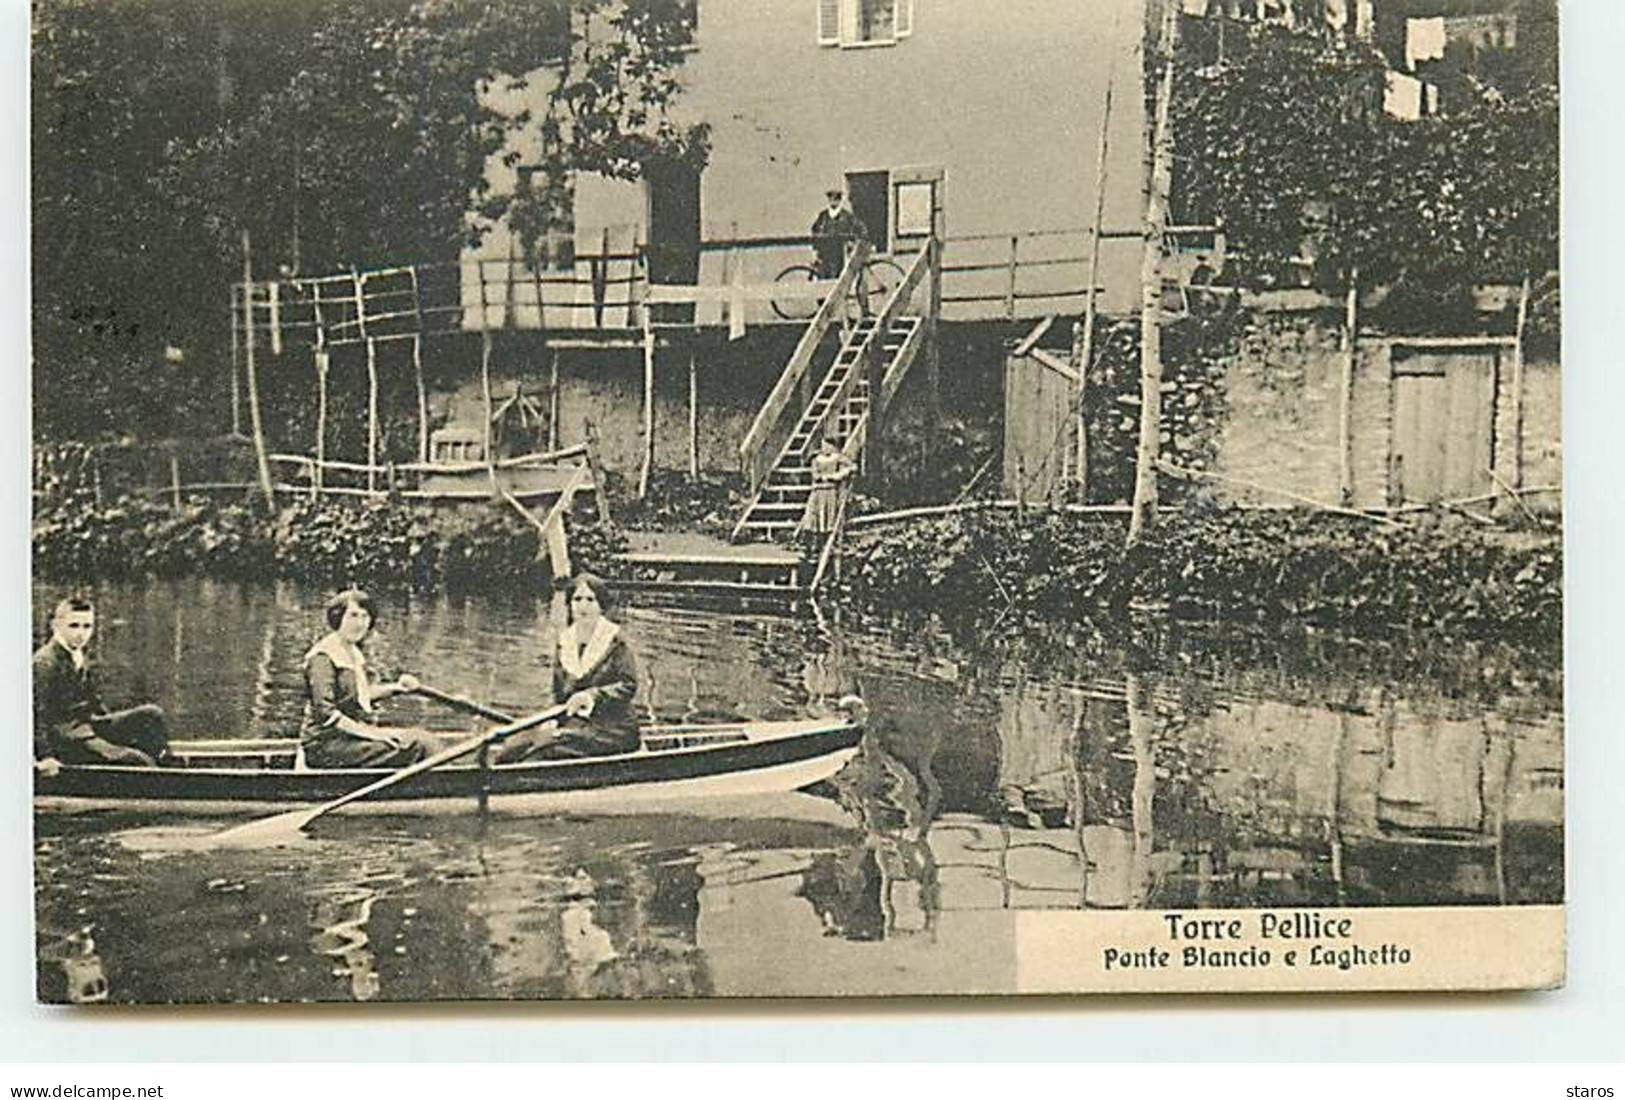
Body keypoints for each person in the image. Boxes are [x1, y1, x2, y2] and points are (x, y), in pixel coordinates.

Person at [495, 574, 642, 763]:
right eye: (577, 599)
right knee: (515, 743)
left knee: (542, 751)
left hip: (612, 728)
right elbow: (557, 691)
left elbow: (628, 685)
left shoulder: (615, 640)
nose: (583, 606)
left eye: (590, 600)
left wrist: (591, 696)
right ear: (570, 605)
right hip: (574, 723)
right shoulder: (565, 641)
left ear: (600, 606)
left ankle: (511, 786)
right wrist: (552, 719)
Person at [301, 589, 442, 769]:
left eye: (365, 617)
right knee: (417, 745)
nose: (359, 624)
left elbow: (361, 694)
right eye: (352, 616)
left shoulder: (350, 651)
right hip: (325, 746)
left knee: (425, 739)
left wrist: (397, 688)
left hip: (349, 737)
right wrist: (373, 734)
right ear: (338, 618)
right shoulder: (323, 658)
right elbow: (326, 713)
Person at [33, 596, 169, 772]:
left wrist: (113, 733)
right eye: (73, 626)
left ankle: (170, 767)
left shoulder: (78, 654)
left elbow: (94, 703)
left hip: (89, 725)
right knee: (136, 761)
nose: (81, 633)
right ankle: (161, 775)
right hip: (68, 739)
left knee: (152, 715)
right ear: (56, 625)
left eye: (87, 626)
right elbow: (36, 716)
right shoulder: (45, 662)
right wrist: (46, 757)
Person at [811, 187, 867, 279]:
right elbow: (815, 233)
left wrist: (854, 243)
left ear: (840, 200)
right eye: (831, 199)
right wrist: (815, 251)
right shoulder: (823, 216)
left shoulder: (847, 216)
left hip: (840, 251)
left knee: (838, 276)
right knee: (823, 276)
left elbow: (861, 229)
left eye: (836, 199)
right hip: (824, 252)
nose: (833, 201)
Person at [805, 436, 855, 536]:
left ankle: (828, 535)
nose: (825, 448)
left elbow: (852, 466)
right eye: (823, 446)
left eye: (828, 446)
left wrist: (842, 473)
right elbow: (815, 475)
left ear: (833, 447)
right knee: (815, 514)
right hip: (818, 490)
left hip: (831, 489)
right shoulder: (816, 459)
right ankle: (814, 538)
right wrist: (823, 477)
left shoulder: (837, 457)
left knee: (830, 513)